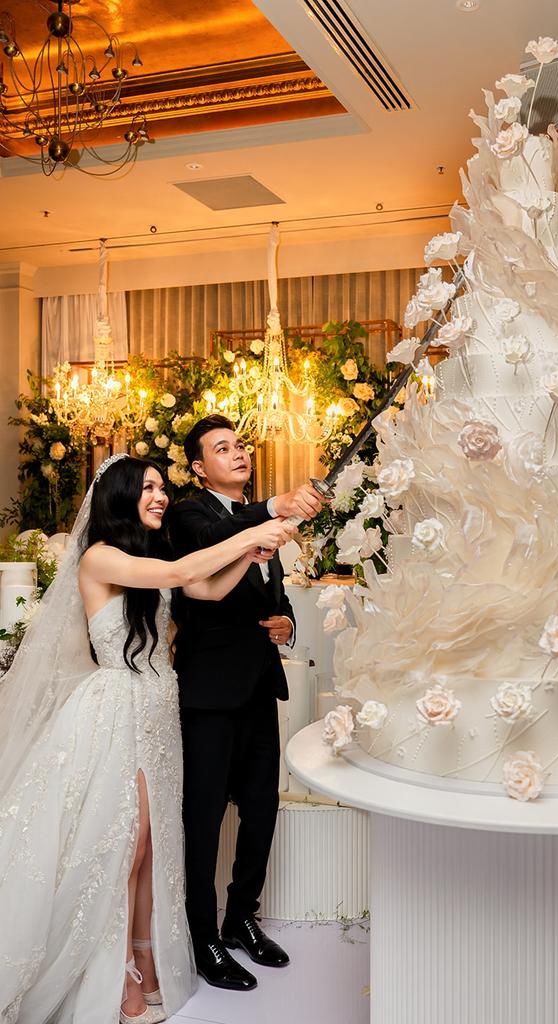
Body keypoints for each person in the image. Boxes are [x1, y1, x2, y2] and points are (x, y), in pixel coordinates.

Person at [0, 453, 294, 1024]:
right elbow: (185, 575)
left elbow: (205, 590)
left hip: (158, 710)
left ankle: (145, 958)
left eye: (163, 487)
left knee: (154, 844)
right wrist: (253, 528)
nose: (160, 496)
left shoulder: (146, 557)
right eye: (149, 487)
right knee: (125, 846)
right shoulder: (101, 557)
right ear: (120, 496)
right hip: (117, 710)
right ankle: (118, 981)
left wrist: (252, 554)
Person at [168, 415, 323, 991]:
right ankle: (202, 936)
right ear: (198, 467)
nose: (238, 454)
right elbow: (211, 556)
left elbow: (267, 591)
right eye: (222, 448)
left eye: (241, 446)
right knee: (203, 819)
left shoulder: (265, 525)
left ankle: (241, 918)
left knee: (262, 808)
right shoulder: (190, 515)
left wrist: (284, 621)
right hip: (208, 694)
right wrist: (273, 509)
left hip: (259, 687)